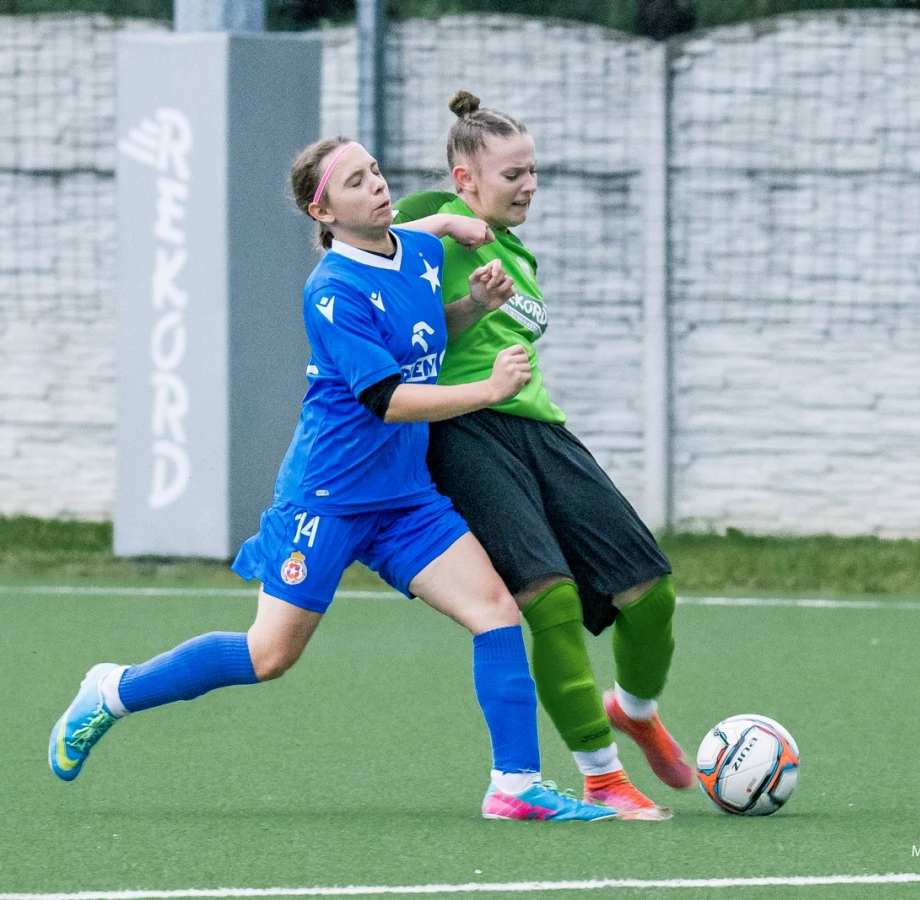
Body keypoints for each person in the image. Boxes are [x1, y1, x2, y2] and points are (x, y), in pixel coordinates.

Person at [48, 137, 615, 822]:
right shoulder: (330, 290)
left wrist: (474, 305)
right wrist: (489, 391)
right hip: (329, 497)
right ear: (324, 213)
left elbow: (419, 339)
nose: (377, 184)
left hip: (405, 499)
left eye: (374, 170)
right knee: (268, 655)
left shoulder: (421, 252)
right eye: (355, 181)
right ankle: (112, 690)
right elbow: (387, 398)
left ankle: (515, 785)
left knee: (494, 611)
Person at [392, 91, 694, 820]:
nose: (530, 185)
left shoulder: (516, 251)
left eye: (533, 171)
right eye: (513, 174)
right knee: (549, 599)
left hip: (540, 430)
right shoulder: (429, 217)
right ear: (464, 180)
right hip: (464, 429)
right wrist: (451, 254)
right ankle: (601, 776)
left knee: (650, 591)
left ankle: (635, 709)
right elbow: (383, 293)